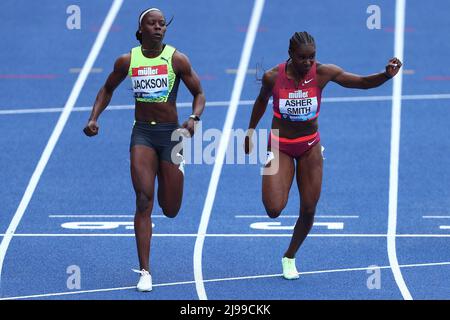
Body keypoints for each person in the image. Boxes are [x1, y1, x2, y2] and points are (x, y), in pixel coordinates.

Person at [244, 31, 402, 280]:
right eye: (302, 58)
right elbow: (261, 101)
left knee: (308, 208)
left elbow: (360, 82)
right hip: (280, 146)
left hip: (310, 147)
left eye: (312, 57)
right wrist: (250, 130)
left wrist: (385, 75)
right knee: (274, 209)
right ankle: (275, 173)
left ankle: (289, 256)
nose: (308, 63)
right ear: (290, 56)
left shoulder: (323, 73)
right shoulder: (273, 77)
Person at [83, 7, 205, 291]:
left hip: (171, 135)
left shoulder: (176, 59)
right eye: (153, 24)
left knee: (171, 208)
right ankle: (145, 271)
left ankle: (175, 170)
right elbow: (107, 89)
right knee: (143, 199)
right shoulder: (128, 60)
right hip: (142, 133)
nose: (159, 28)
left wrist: (194, 117)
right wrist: (93, 118)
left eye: (162, 24)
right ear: (141, 30)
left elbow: (199, 93)